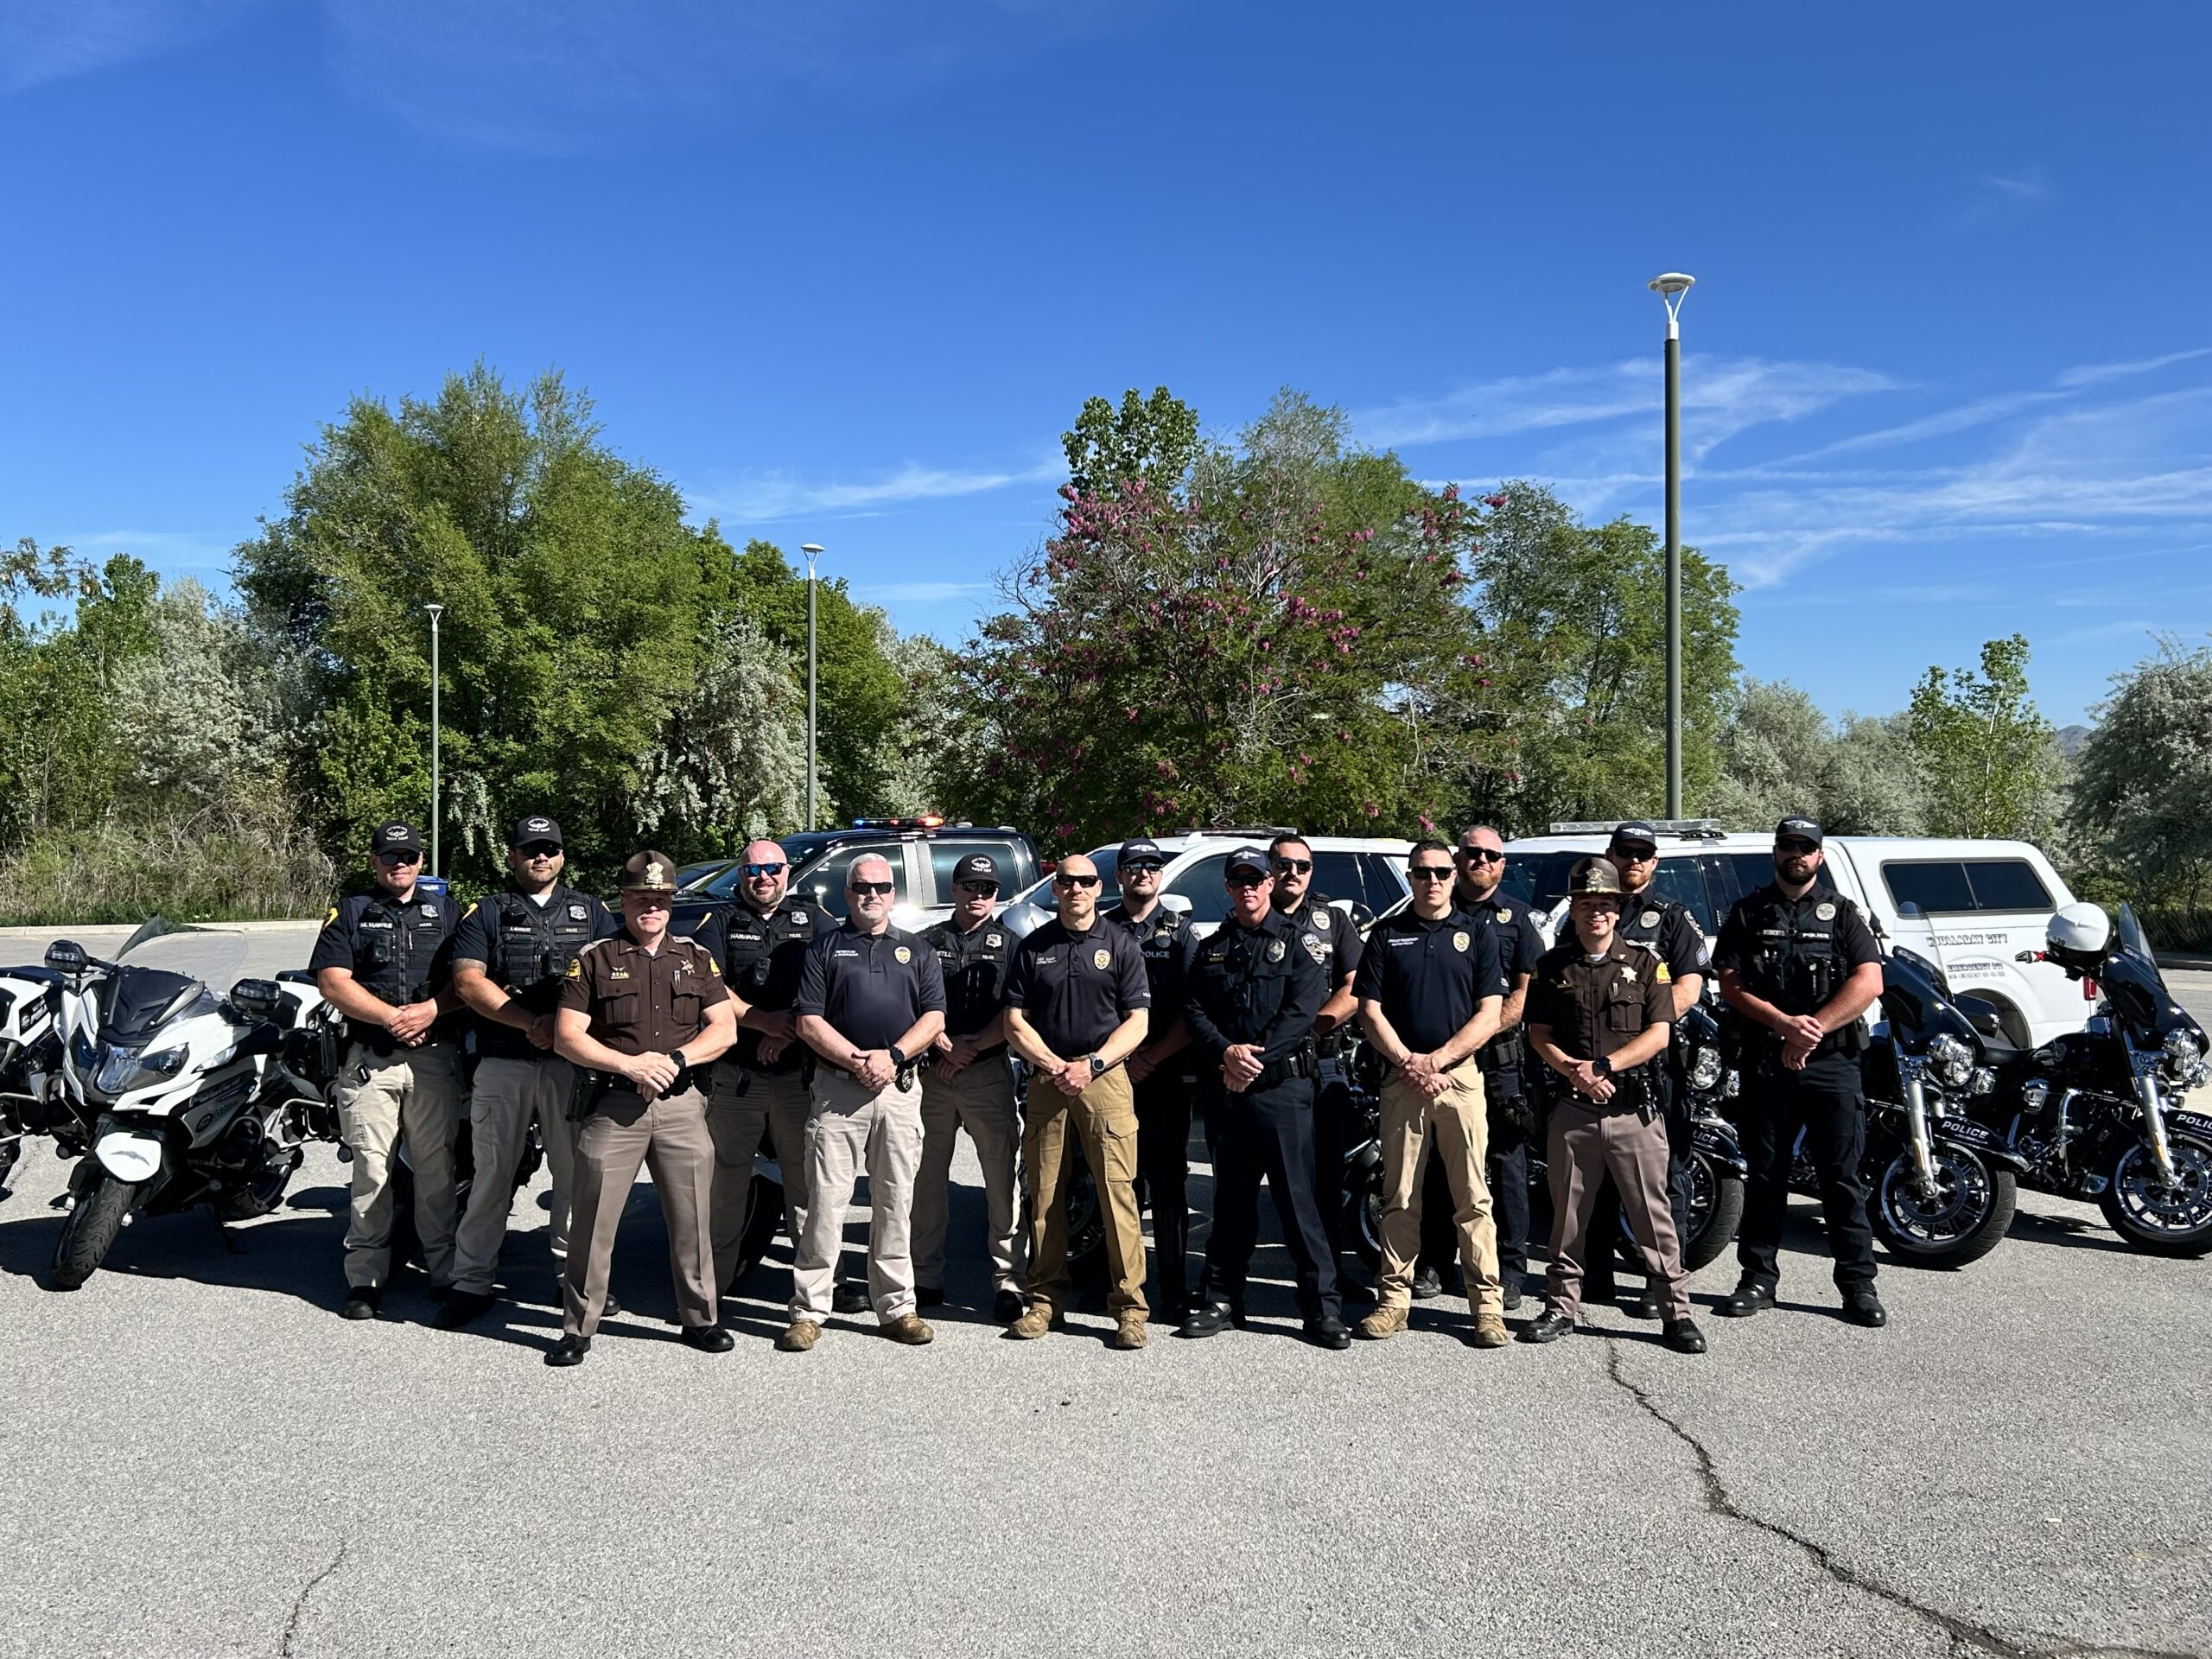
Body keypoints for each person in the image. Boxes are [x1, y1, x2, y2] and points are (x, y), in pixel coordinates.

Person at [548, 850, 740, 1368]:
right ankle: (577, 1327)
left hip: (681, 1104)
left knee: (692, 1217)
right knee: (593, 1220)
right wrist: (630, 1065)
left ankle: (700, 1318)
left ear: (670, 902)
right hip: (614, 1105)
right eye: (640, 899)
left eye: (659, 899)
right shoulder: (593, 958)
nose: (649, 908)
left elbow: (725, 1029)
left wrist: (677, 1059)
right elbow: (568, 1035)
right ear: (624, 901)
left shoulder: (696, 957)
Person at [1520, 858, 1706, 1355]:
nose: (1595, 913)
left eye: (1604, 905)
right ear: (1574, 910)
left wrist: (1603, 1066)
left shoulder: (1647, 965)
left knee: (1653, 1216)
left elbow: (1660, 1034)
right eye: (1586, 904)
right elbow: (1539, 1036)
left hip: (1632, 1112)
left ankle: (1676, 1313)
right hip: (1574, 1111)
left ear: (1618, 910)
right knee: (1568, 1217)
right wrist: (1574, 1070)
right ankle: (1560, 1307)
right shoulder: (1551, 967)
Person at [442, 814, 617, 1328]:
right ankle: (472, 1280)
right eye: (530, 850)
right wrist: (530, 1024)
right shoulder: (488, 914)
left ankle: (573, 1282)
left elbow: (615, 980)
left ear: (562, 856)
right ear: (512, 858)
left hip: (571, 1068)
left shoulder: (593, 913)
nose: (541, 857)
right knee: (491, 1176)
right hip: (504, 1065)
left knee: (574, 1177)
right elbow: (470, 983)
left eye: (550, 849)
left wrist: (562, 1032)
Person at [1713, 817, 1887, 1327]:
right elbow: (1731, 983)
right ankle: (1758, 1279)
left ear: (1820, 856)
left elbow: (1870, 979)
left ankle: (1858, 1285)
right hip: (1768, 1061)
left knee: (1842, 1177)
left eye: (1806, 847)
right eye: (1788, 846)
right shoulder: (1748, 912)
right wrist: (1784, 1025)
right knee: (1767, 1175)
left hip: (1833, 1063)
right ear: (1775, 852)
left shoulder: (1844, 914)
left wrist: (1811, 1030)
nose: (1797, 854)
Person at [1181, 847, 1350, 1349]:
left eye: (1257, 879)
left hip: (1282, 1092)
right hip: (1228, 1093)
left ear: (1271, 885)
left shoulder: (1298, 945)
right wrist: (1225, 1052)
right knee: (1230, 1200)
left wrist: (1249, 1064)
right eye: (1239, 881)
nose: (1249, 888)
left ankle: (1321, 1310)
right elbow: (1193, 1009)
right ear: (1229, 888)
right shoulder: (1210, 948)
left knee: (1299, 1204)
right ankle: (1221, 1299)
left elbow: (1302, 1012)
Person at [780, 855, 947, 1351]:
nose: (871, 894)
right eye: (861, 887)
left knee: (895, 1202)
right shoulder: (824, 949)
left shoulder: (918, 950)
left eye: (880, 886)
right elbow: (808, 1022)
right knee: (825, 1204)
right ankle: (810, 1310)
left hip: (897, 1089)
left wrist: (892, 1056)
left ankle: (896, 1308)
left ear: (893, 893)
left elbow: (935, 1017)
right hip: (839, 1091)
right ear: (847, 893)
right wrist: (858, 1061)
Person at [1351, 840, 1510, 1347]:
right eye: (1423, 872)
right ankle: (1393, 1302)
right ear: (1411, 876)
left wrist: (1437, 1062)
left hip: (1459, 1079)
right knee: (1398, 1197)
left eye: (1442, 871)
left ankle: (1487, 1308)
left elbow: (1489, 1013)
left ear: (1454, 873)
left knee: (1473, 1199)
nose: (1433, 880)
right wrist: (1409, 1064)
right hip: (1403, 1080)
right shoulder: (1386, 934)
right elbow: (1370, 1011)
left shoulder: (1477, 932)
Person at [309, 819, 464, 1321]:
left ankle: (443, 1267)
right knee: (372, 1169)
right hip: (372, 1061)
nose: (400, 864)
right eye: (389, 856)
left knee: (436, 1168)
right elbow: (333, 983)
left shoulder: (448, 912)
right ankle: (366, 1276)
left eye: (409, 856)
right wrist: (394, 1019)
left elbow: (469, 978)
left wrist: (431, 1011)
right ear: (373, 861)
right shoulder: (350, 912)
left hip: (434, 1060)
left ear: (421, 862)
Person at [1002, 853, 1154, 1349]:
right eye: (1067, 881)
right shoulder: (1033, 946)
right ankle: (1044, 1301)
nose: (1076, 889)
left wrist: (1092, 1064)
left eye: (1086, 881)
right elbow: (1014, 1021)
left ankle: (1130, 1308)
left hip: (1104, 1079)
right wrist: (1051, 1065)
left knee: (1118, 1195)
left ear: (1098, 887)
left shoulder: (1120, 943)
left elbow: (1138, 1021)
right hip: (1049, 1079)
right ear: (1055, 889)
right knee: (1045, 1195)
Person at [1582, 821, 1711, 1318]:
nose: (1633, 861)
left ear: (1655, 862)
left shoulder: (1672, 918)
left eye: (1643, 854)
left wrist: (1640, 1035)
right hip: (1595, 1068)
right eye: (1625, 851)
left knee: (1664, 1179)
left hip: (1654, 1068)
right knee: (1591, 1176)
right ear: (1610, 855)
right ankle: (1595, 1277)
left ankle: (1662, 1288)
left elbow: (1690, 986)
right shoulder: (1590, 909)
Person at [1420, 824, 1545, 1309]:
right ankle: (1435, 1260)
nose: (1481, 862)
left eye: (1491, 855)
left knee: (1506, 1165)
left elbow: (1525, 990)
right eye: (1472, 853)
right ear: (1457, 859)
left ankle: (1509, 1270)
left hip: (1498, 1063)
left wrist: (1476, 1035)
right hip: (1439, 1065)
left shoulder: (1517, 918)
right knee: (1436, 1162)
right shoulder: (1433, 913)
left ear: (1502, 864)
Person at [696, 837, 821, 1300]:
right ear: (741, 875)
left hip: (796, 1077)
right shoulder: (720, 921)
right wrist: (761, 1021)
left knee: (806, 1186)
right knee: (725, 1186)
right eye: (752, 871)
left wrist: (784, 1030)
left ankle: (818, 1292)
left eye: (772, 869)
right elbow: (709, 984)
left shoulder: (815, 920)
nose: (762, 878)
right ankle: (710, 1289)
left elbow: (830, 981)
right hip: (737, 1077)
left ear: (787, 871)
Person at [913, 853, 1026, 1322]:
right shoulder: (925, 943)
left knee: (1001, 1180)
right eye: (969, 887)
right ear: (954, 889)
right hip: (933, 1074)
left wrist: (971, 1047)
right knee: (925, 1180)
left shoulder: (1013, 945)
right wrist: (941, 1045)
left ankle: (1009, 1281)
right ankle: (924, 1277)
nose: (977, 896)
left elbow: (1020, 1012)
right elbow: (911, 1001)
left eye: (987, 889)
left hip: (987, 1071)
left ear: (997, 895)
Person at [1101, 836, 1198, 1319]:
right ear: (1119, 876)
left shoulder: (1180, 934)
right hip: (1111, 1078)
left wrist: (1151, 1058)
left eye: (1153, 865)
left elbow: (1193, 1010)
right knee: (1117, 1182)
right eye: (1134, 865)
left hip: (1163, 1076)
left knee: (1168, 1184)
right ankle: (1118, 1282)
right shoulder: (1102, 930)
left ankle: (1174, 1287)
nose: (1144, 872)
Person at [1266, 834, 1364, 1275]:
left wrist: (1309, 1028)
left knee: (1326, 1175)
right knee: (1257, 1177)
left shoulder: (1332, 920)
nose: (1293, 873)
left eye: (1302, 866)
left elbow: (1355, 986)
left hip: (1322, 1061)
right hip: (1266, 1066)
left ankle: (1329, 1276)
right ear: (1270, 869)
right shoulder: (1251, 915)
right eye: (1284, 865)